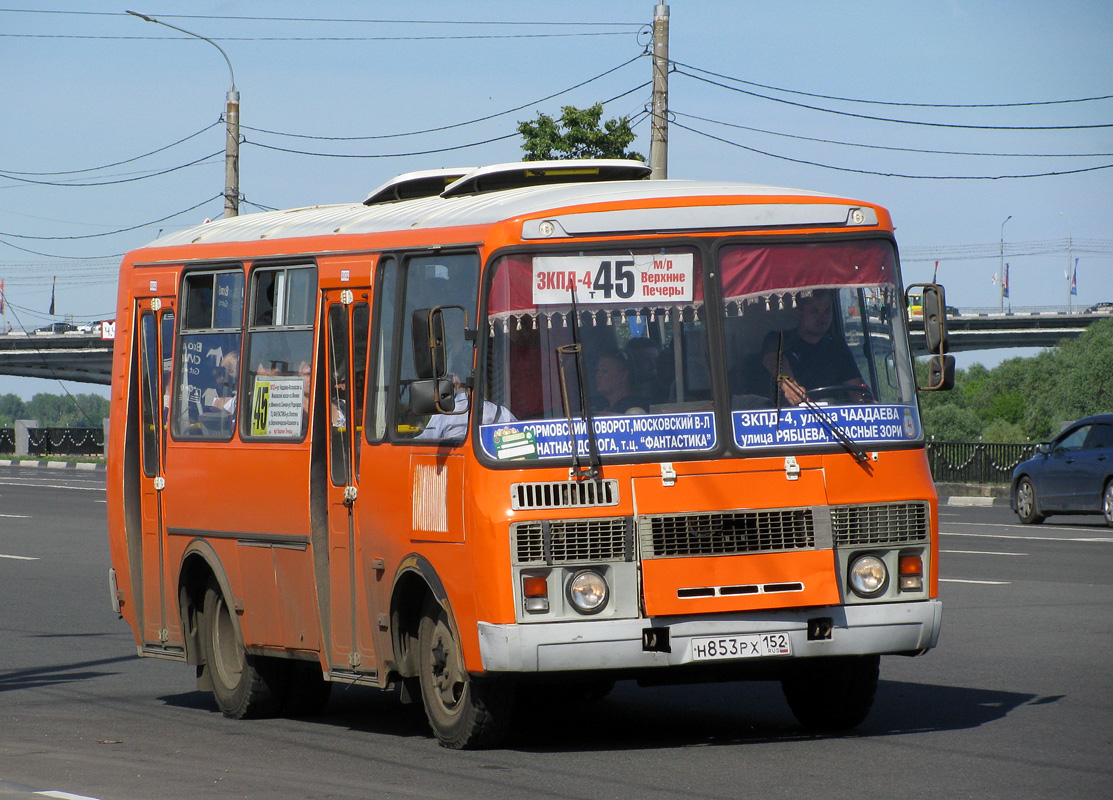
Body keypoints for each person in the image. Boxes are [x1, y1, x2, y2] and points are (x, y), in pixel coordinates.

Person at [760, 289, 869, 406]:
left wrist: (866, 401)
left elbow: (856, 388)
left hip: (833, 419)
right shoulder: (779, 339)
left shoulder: (837, 346)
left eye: (827, 311)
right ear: (799, 313)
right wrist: (790, 387)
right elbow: (774, 361)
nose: (823, 317)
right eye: (814, 311)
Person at [592, 350, 649, 415]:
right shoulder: (603, 406)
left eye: (604, 370)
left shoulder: (633, 408)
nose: (598, 375)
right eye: (598, 370)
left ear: (623, 375)